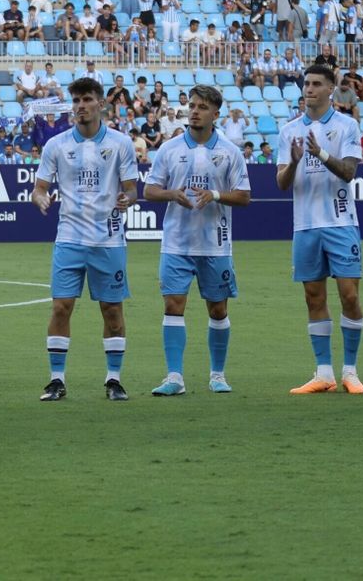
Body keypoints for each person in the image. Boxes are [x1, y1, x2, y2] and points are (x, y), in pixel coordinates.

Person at [32, 77, 140, 402]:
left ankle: (113, 380)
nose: (81, 106)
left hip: (108, 240)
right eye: (76, 101)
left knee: (111, 310)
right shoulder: (56, 145)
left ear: (101, 104)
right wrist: (39, 197)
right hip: (69, 238)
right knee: (61, 307)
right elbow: (39, 187)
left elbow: (133, 189)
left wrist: (128, 199)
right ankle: (55, 380)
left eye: (87, 100)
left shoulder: (121, 144)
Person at [141, 84, 251, 396]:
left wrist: (215, 194)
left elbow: (244, 196)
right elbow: (149, 190)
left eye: (202, 107)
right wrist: (171, 194)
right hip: (176, 243)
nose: (195, 111)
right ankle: (174, 377)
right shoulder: (169, 149)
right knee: (173, 305)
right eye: (192, 105)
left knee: (217, 309)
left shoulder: (229, 152)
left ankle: (217, 374)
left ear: (216, 114)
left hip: (215, 244)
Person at [276, 63, 363, 395]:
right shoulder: (288, 131)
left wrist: (320, 153)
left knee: (350, 295)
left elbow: (348, 172)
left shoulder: (347, 126)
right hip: (306, 226)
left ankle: (351, 371)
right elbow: (281, 183)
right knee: (313, 297)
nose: (309, 89)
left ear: (331, 89)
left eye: (316, 84)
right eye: (306, 84)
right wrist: (297, 160)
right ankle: (324, 373)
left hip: (341, 223)